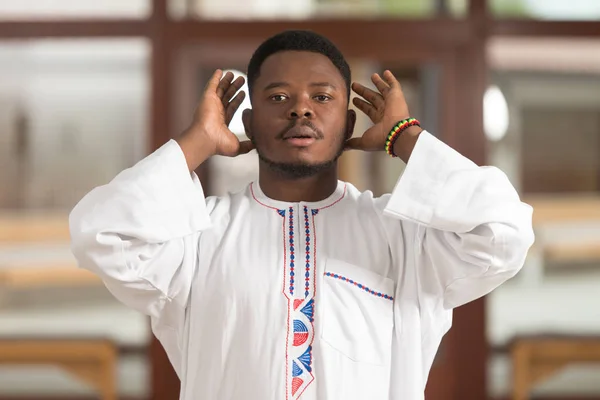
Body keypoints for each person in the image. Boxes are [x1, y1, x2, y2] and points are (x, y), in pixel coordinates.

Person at [69, 30, 534, 400]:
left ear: (350, 123)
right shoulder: (198, 237)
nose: (301, 109)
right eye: (277, 97)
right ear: (247, 124)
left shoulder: (402, 237)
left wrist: (405, 137)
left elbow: (504, 233)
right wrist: (197, 143)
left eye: (323, 97)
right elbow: (100, 233)